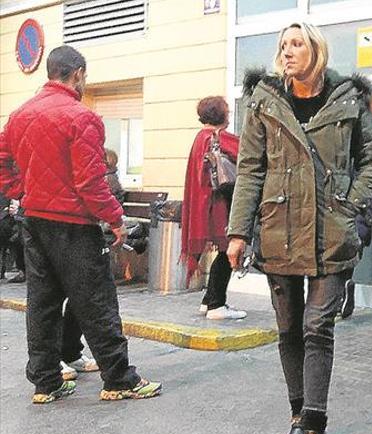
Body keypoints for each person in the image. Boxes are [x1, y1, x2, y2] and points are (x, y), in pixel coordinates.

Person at [228, 22, 372, 434]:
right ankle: (297, 417)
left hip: (332, 231)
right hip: (279, 228)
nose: (287, 51)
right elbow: (250, 169)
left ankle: (315, 431)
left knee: (319, 327)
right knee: (289, 328)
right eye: (282, 45)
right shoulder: (264, 99)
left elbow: (371, 160)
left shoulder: (349, 98)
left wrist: (350, 205)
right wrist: (238, 232)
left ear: (315, 49)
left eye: (296, 44)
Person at [0, 45, 160, 403]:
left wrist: (22, 191)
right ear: (77, 75)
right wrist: (115, 219)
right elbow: (91, 182)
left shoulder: (19, 116)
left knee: (41, 302)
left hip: (34, 221)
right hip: (74, 224)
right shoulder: (82, 118)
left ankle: (46, 382)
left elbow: (2, 163)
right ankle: (118, 379)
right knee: (97, 300)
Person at [181, 96, 247, 320]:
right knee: (227, 250)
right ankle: (217, 304)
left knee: (223, 251)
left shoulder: (200, 138)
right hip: (219, 204)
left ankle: (208, 300)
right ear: (221, 115)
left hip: (204, 205)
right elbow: (249, 156)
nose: (229, 115)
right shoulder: (221, 138)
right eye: (227, 111)